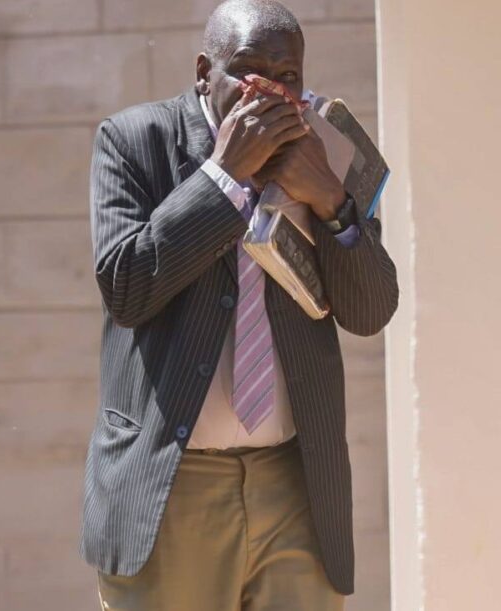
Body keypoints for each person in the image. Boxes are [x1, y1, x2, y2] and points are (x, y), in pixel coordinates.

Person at [81, 1, 398, 609]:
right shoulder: (133, 141)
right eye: (249, 71)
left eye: (288, 76)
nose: (271, 91)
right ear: (205, 72)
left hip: (296, 486)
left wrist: (331, 202)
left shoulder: (324, 147)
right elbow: (126, 289)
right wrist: (224, 176)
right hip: (172, 487)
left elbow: (370, 312)